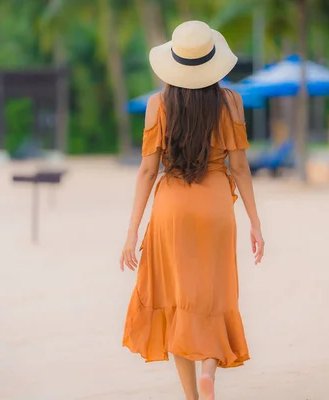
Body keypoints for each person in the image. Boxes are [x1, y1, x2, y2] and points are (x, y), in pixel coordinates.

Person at [120, 20, 264, 400]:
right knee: (214, 295)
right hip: (216, 205)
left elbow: (148, 171)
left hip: (172, 209)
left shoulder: (158, 105)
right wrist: (255, 222)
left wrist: (132, 231)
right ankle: (209, 372)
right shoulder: (230, 101)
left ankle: (192, 396)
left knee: (175, 299)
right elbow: (240, 167)